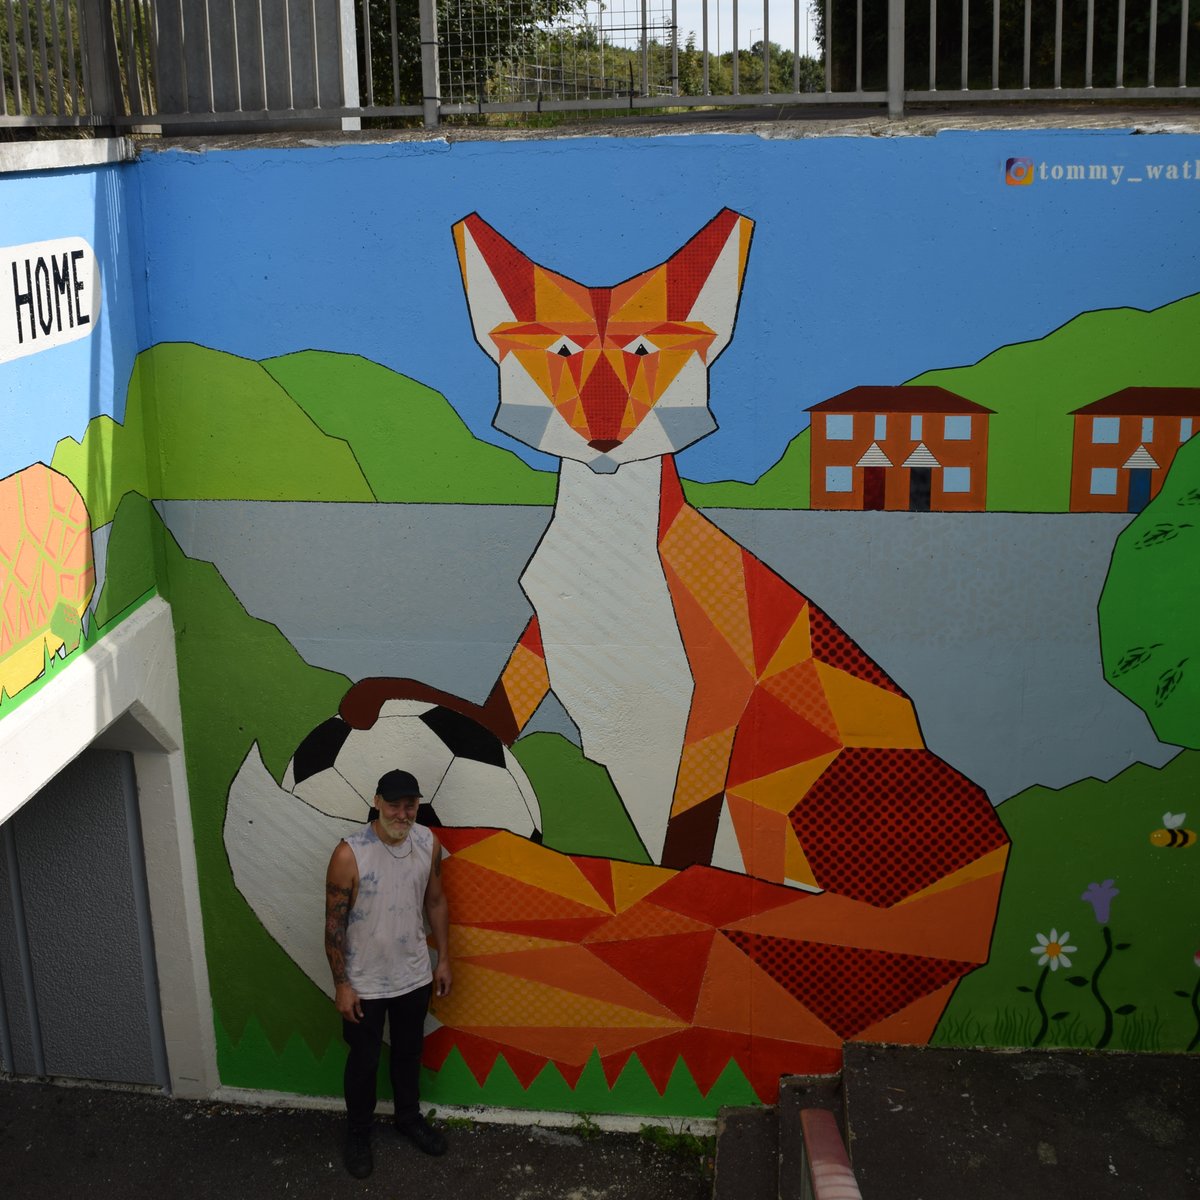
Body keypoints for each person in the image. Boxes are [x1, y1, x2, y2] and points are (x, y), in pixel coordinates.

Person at [324, 768, 453, 1179]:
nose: (402, 813)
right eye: (394, 804)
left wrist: (444, 960)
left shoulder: (427, 843)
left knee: (408, 1052)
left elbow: (435, 902)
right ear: (377, 801)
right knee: (363, 1061)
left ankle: (408, 1117)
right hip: (364, 981)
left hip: (413, 975)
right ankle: (358, 1133)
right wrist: (342, 985)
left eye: (410, 805)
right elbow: (333, 926)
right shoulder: (350, 853)